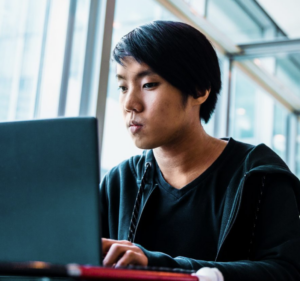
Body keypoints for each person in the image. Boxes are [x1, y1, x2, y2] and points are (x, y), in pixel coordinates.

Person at [99, 21, 300, 281]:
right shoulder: (120, 181)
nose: (130, 103)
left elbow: (287, 272)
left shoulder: (257, 176)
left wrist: (158, 264)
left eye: (148, 84)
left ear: (199, 90)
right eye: (122, 87)